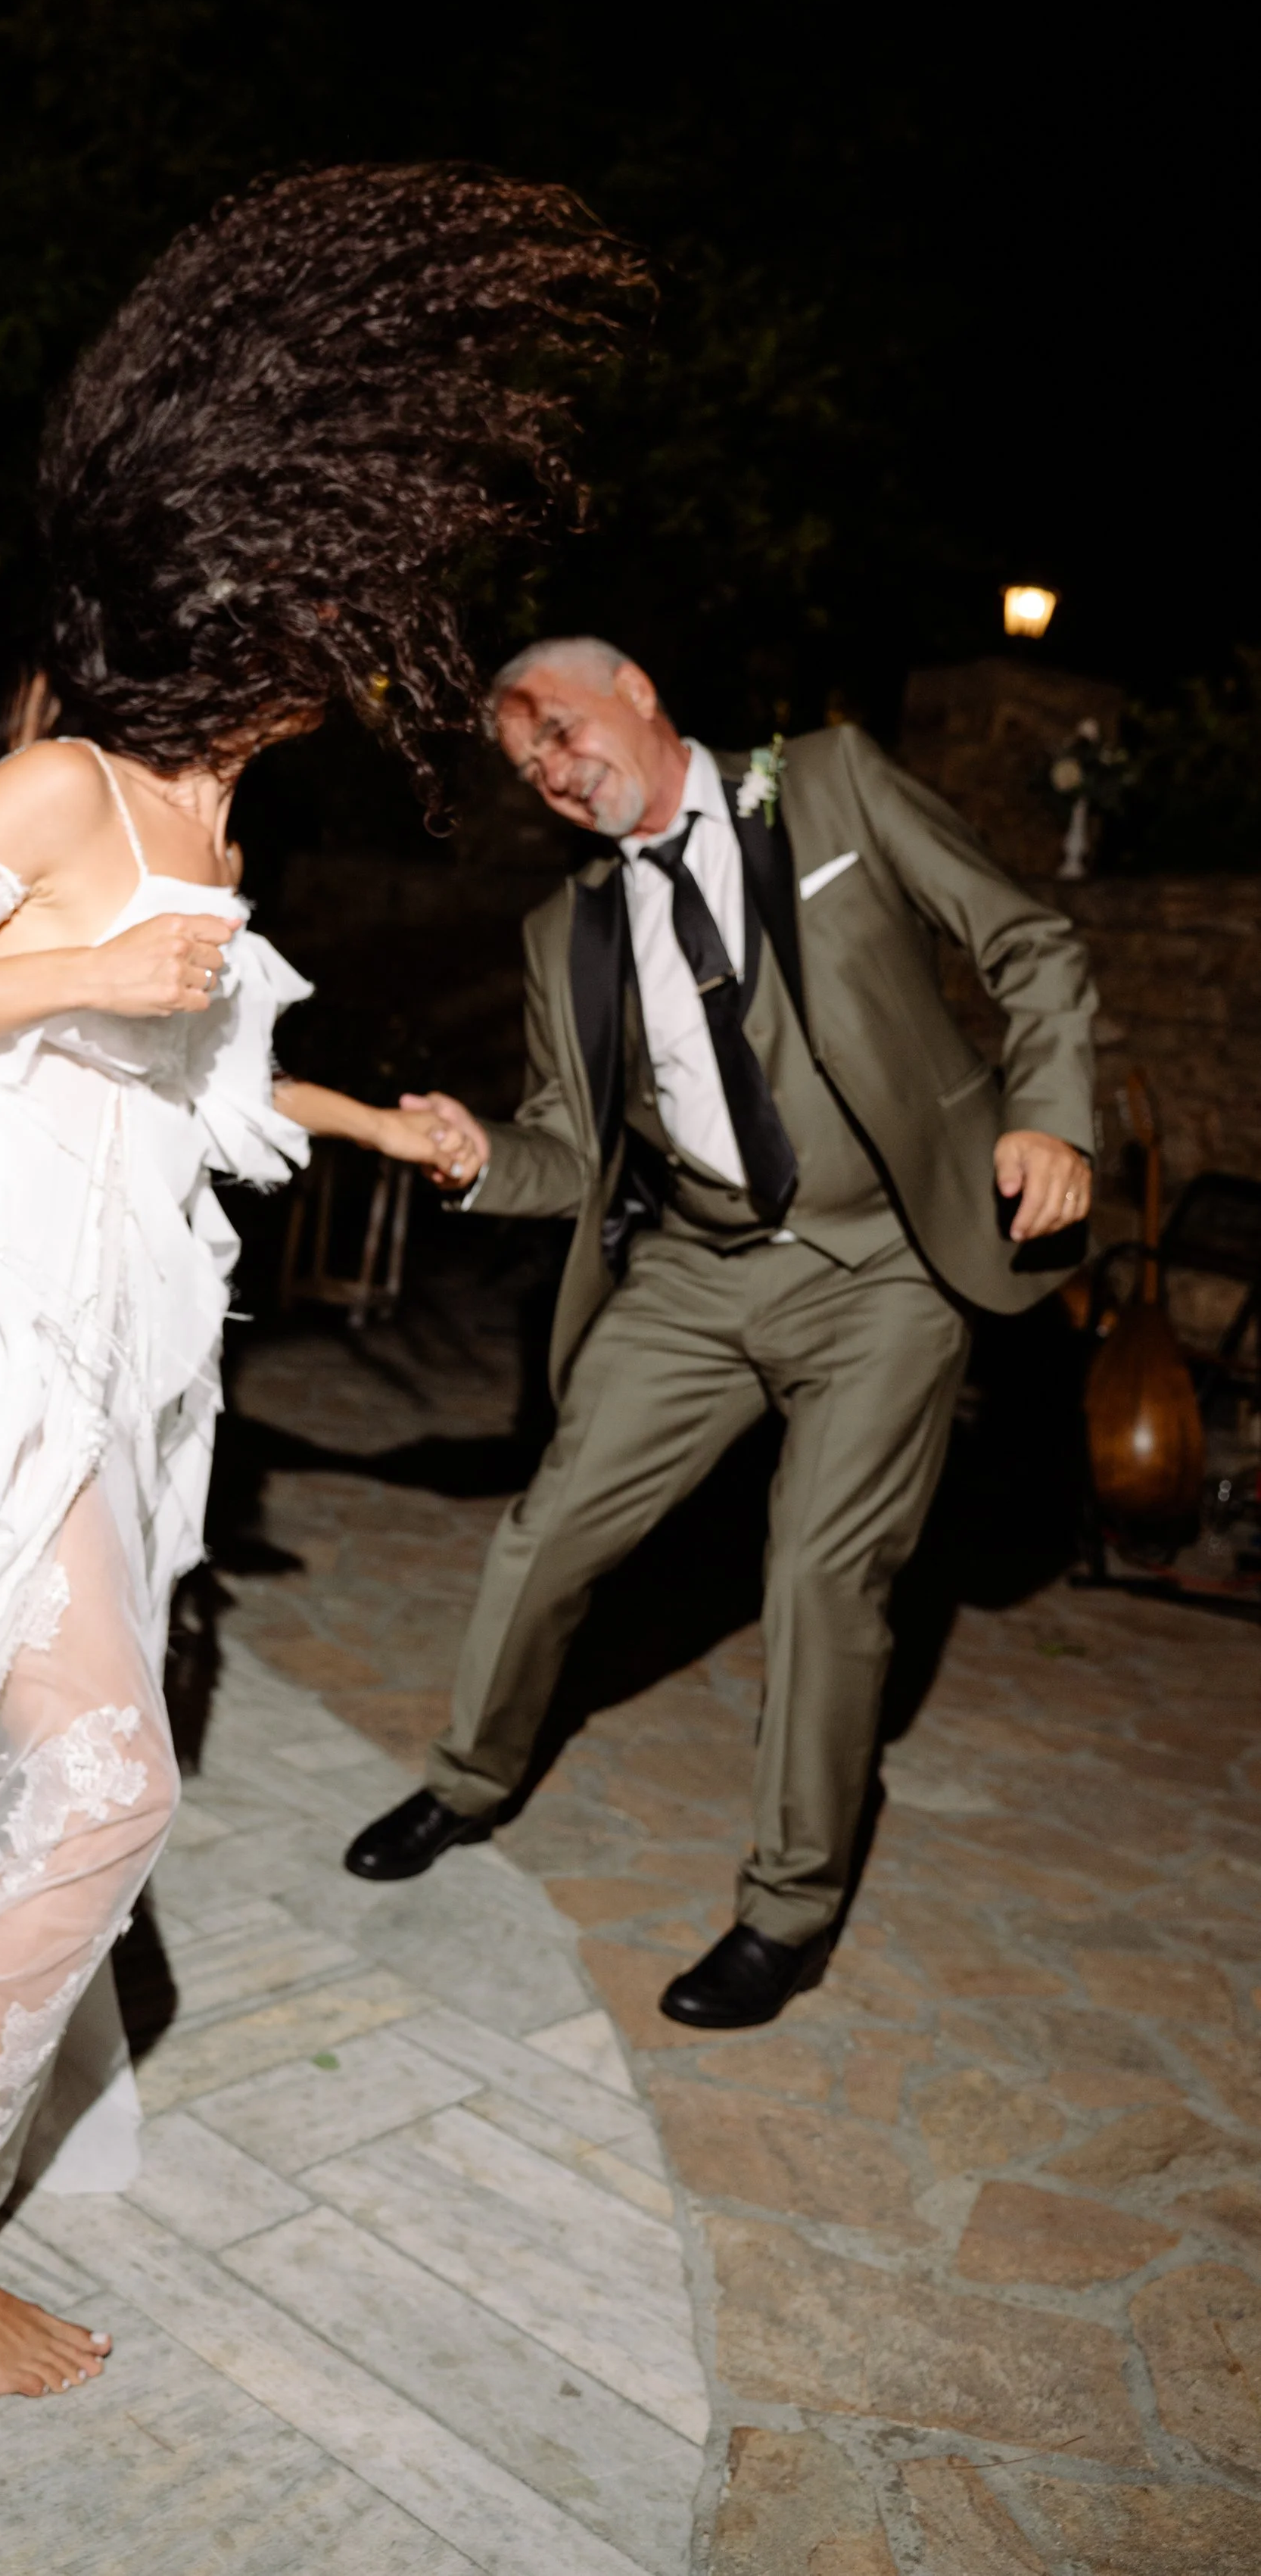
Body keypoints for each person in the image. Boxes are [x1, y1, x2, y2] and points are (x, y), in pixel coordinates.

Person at [0, 167, 643, 2402]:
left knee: (53, 1780)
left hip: (76, 1332)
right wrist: (67, 957)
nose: (360, 654)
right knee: (98, 1786)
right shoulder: (69, 782)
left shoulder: (204, 822)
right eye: (333, 611)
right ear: (245, 602)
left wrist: (374, 1123)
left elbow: (184, 1059)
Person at [348, 637, 1096, 2032]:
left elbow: (1027, 938)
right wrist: (472, 1155)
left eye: (564, 732)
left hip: (883, 1265)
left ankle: (789, 1909)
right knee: (550, 1526)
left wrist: (1049, 1109)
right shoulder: (561, 932)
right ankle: (468, 1777)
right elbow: (566, 1154)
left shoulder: (831, 787)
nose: (557, 775)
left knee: (821, 1573)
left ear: (637, 690)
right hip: (697, 1269)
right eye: (529, 768)